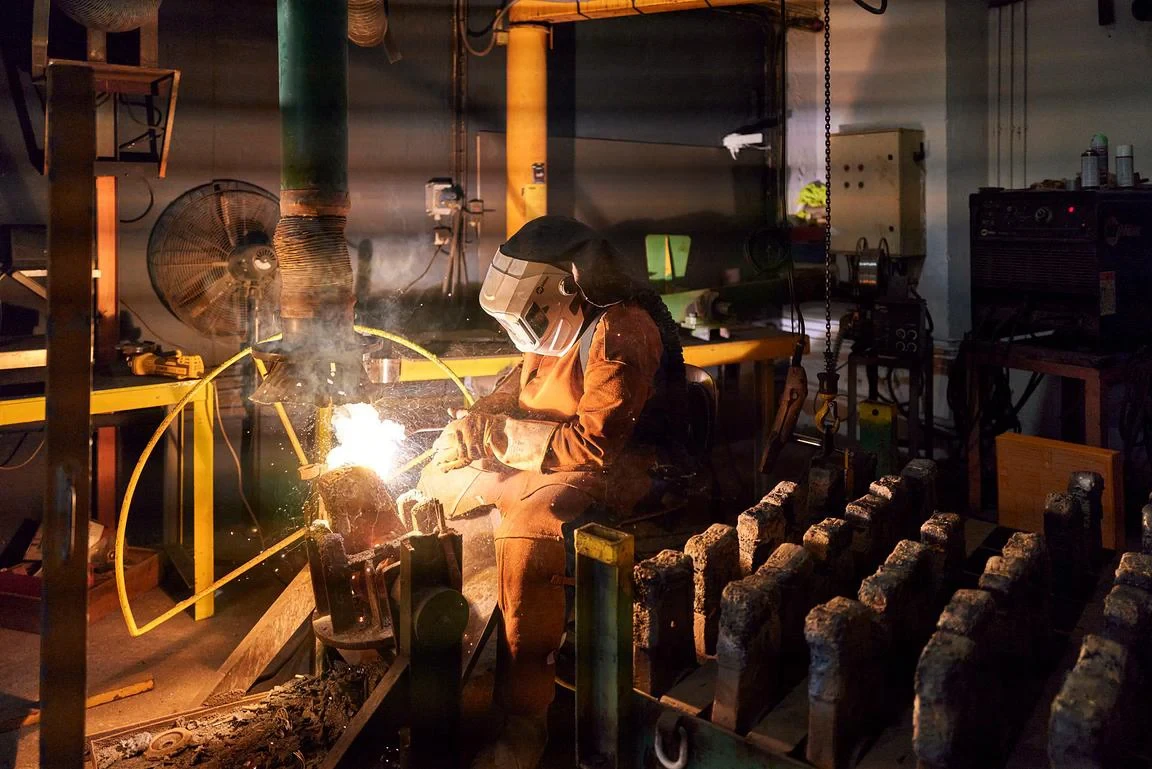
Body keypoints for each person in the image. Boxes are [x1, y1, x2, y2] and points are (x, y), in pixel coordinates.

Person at [418, 216, 686, 769]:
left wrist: (496, 439)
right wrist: (476, 422)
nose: (522, 331)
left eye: (525, 317)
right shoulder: (555, 326)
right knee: (434, 488)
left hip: (620, 468)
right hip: (549, 455)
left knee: (527, 534)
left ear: (567, 285)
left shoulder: (622, 328)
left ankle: (525, 720)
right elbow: (520, 388)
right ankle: (432, 651)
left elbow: (594, 443)